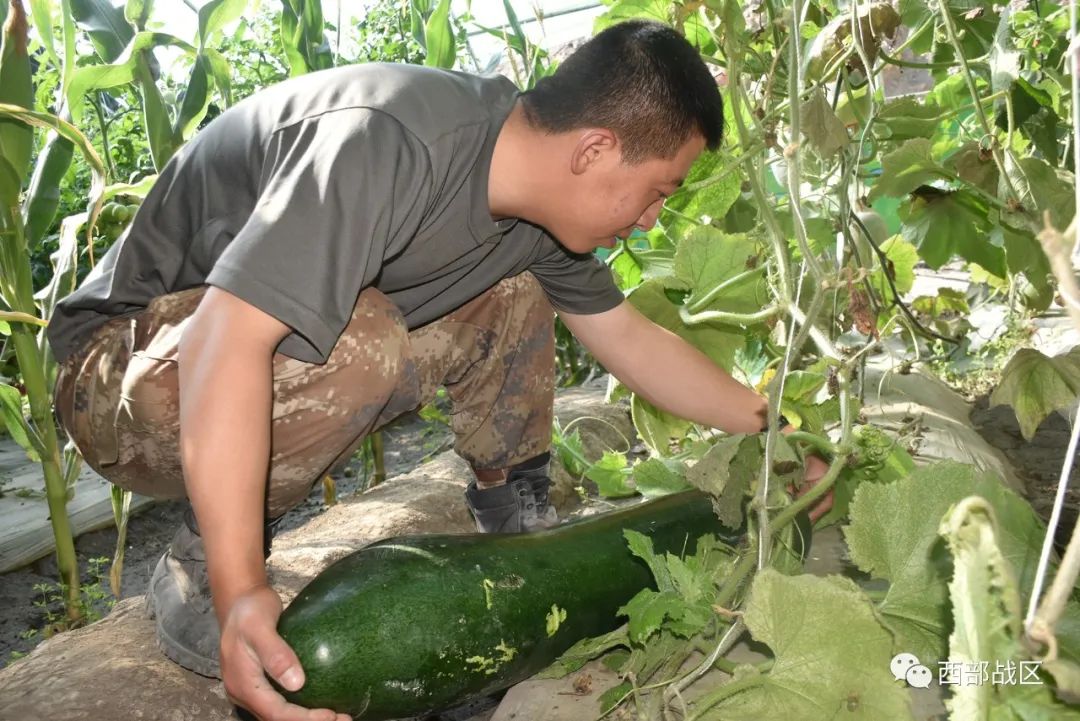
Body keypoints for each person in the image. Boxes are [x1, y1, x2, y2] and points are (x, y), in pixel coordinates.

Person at [47, 18, 826, 721]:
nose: (651, 218)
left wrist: (779, 433)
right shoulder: (382, 141)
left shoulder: (539, 212)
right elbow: (225, 341)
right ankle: (200, 558)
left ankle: (513, 515)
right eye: (656, 192)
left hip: (218, 356)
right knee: (365, 337)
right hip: (116, 373)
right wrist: (243, 584)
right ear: (593, 151)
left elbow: (631, 340)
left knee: (517, 288)